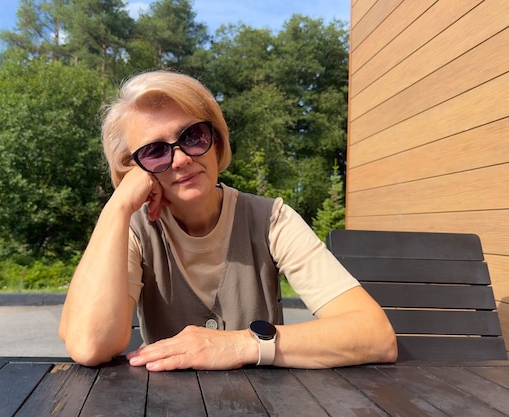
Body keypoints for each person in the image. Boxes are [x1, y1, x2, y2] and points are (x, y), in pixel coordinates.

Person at [59, 70, 397, 371]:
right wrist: (117, 207)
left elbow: (375, 336)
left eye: (192, 137)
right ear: (134, 167)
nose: (180, 159)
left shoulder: (271, 220)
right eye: (154, 151)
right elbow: (91, 345)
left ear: (216, 139)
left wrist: (240, 345)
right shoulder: (132, 231)